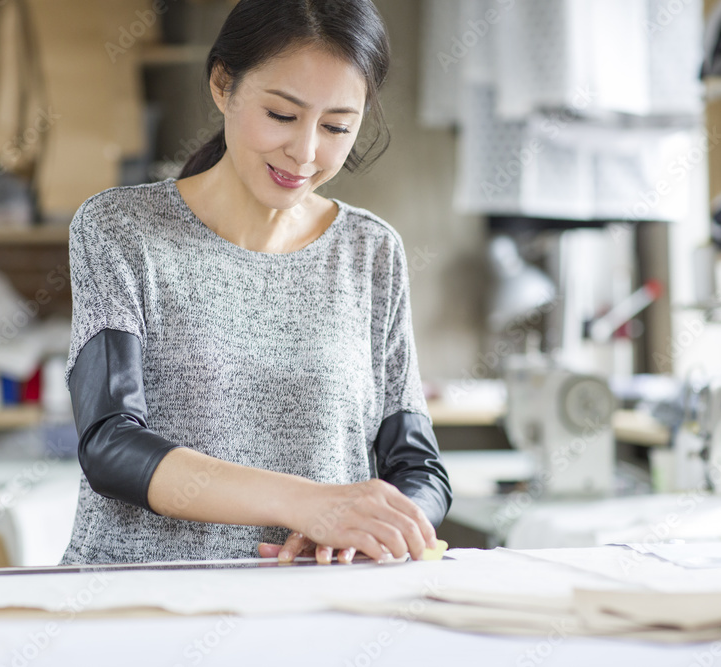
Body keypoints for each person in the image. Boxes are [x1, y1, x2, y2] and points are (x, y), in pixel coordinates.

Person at [59, 0, 451, 566]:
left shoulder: (371, 251)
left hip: (314, 615)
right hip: (141, 608)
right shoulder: (121, 231)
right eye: (282, 116)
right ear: (223, 84)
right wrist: (309, 504)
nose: (306, 151)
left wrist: (362, 526)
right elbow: (111, 446)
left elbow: (419, 470)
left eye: (338, 126)